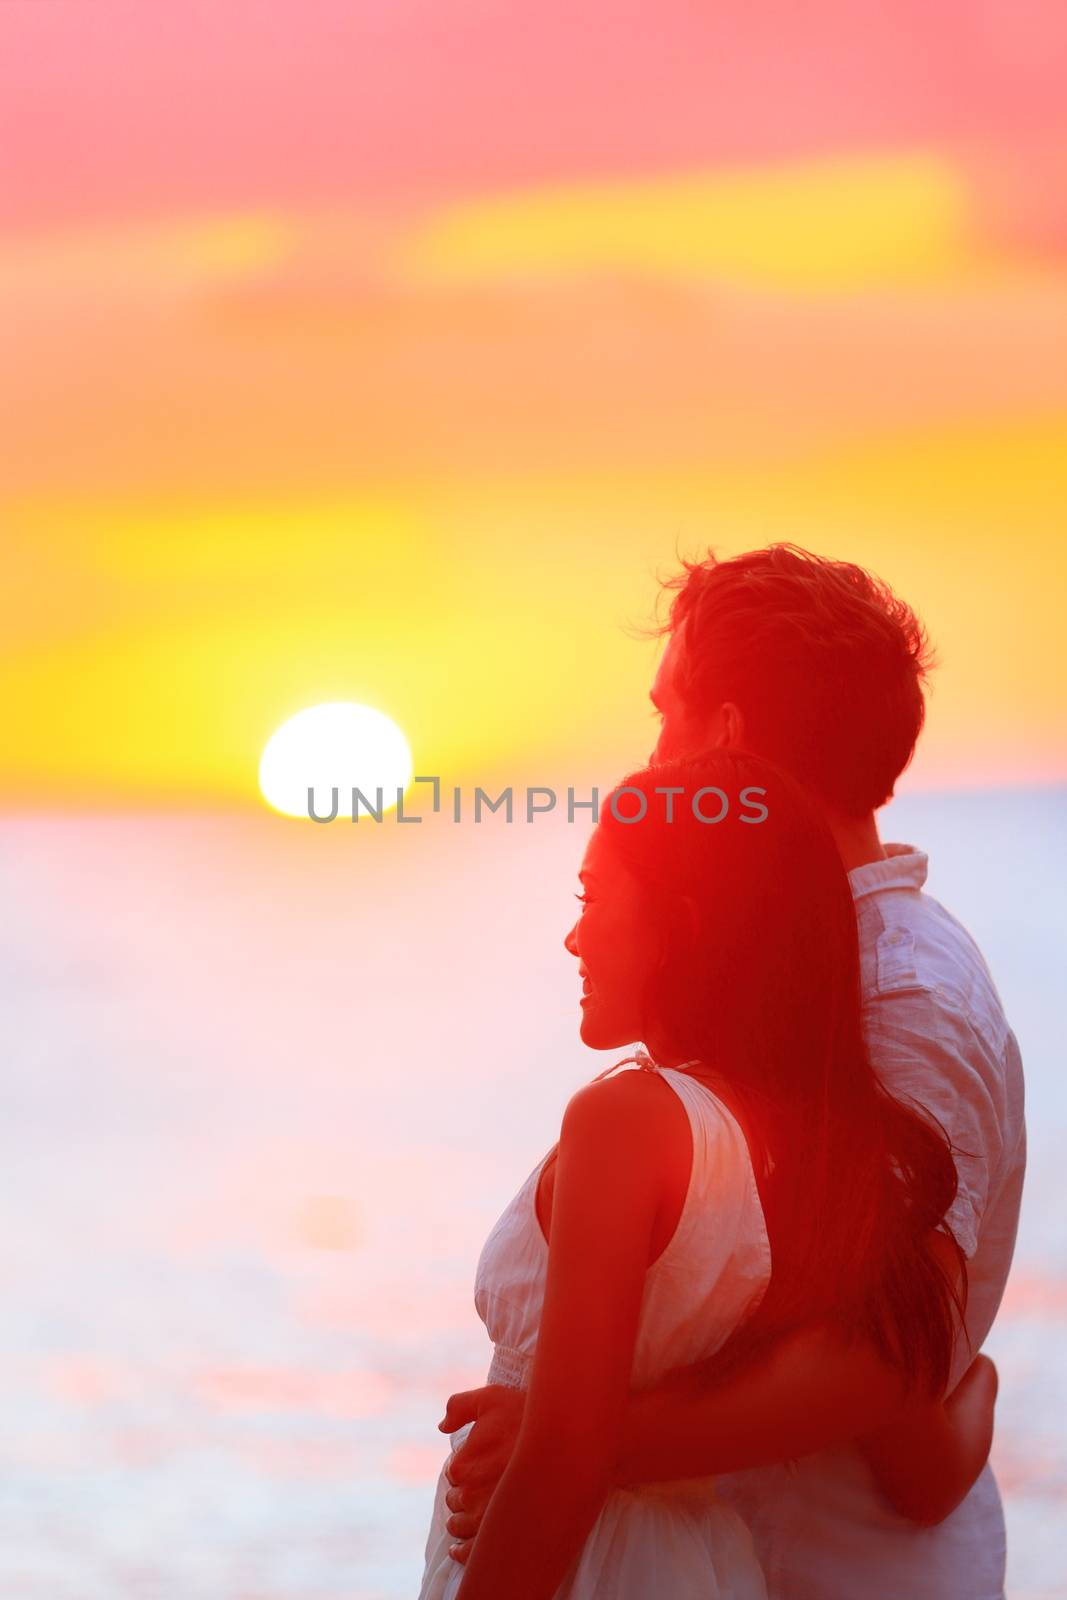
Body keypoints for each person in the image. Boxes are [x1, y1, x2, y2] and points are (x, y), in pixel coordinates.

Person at [439, 546, 1026, 1600]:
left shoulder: (897, 991)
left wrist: (571, 1441)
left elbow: (886, 1353)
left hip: (835, 1573)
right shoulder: (788, 989)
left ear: (724, 737)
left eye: (666, 712)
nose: (655, 751)